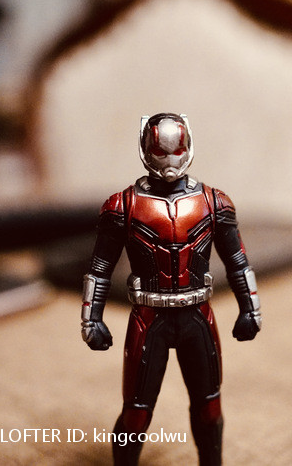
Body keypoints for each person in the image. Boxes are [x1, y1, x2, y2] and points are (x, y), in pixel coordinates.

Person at [80, 112, 261, 465]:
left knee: (210, 408)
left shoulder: (214, 202)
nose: (169, 161)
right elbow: (100, 269)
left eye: (176, 150)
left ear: (188, 147)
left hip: (198, 317)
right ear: (145, 150)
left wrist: (250, 309)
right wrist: (91, 319)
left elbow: (237, 261)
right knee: (136, 414)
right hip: (150, 319)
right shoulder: (122, 206)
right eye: (160, 152)